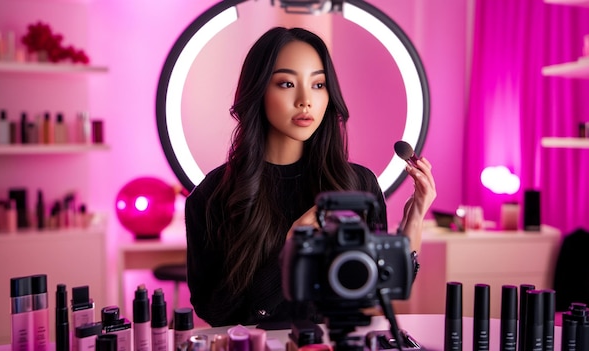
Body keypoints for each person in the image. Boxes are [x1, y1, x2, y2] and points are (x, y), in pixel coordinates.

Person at [184, 26, 436, 327]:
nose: (305, 100)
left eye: (318, 85)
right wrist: (289, 248)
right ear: (259, 89)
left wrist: (416, 215)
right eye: (287, 83)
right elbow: (215, 312)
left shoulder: (358, 186)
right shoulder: (213, 196)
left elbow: (378, 289)